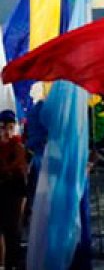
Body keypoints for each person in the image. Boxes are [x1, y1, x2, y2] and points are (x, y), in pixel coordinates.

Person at [0, 110, 26, 269]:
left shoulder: (18, 147)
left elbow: (18, 166)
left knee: (13, 228)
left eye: (10, 127)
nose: (7, 132)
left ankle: (13, 262)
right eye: (3, 128)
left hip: (15, 190)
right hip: (3, 189)